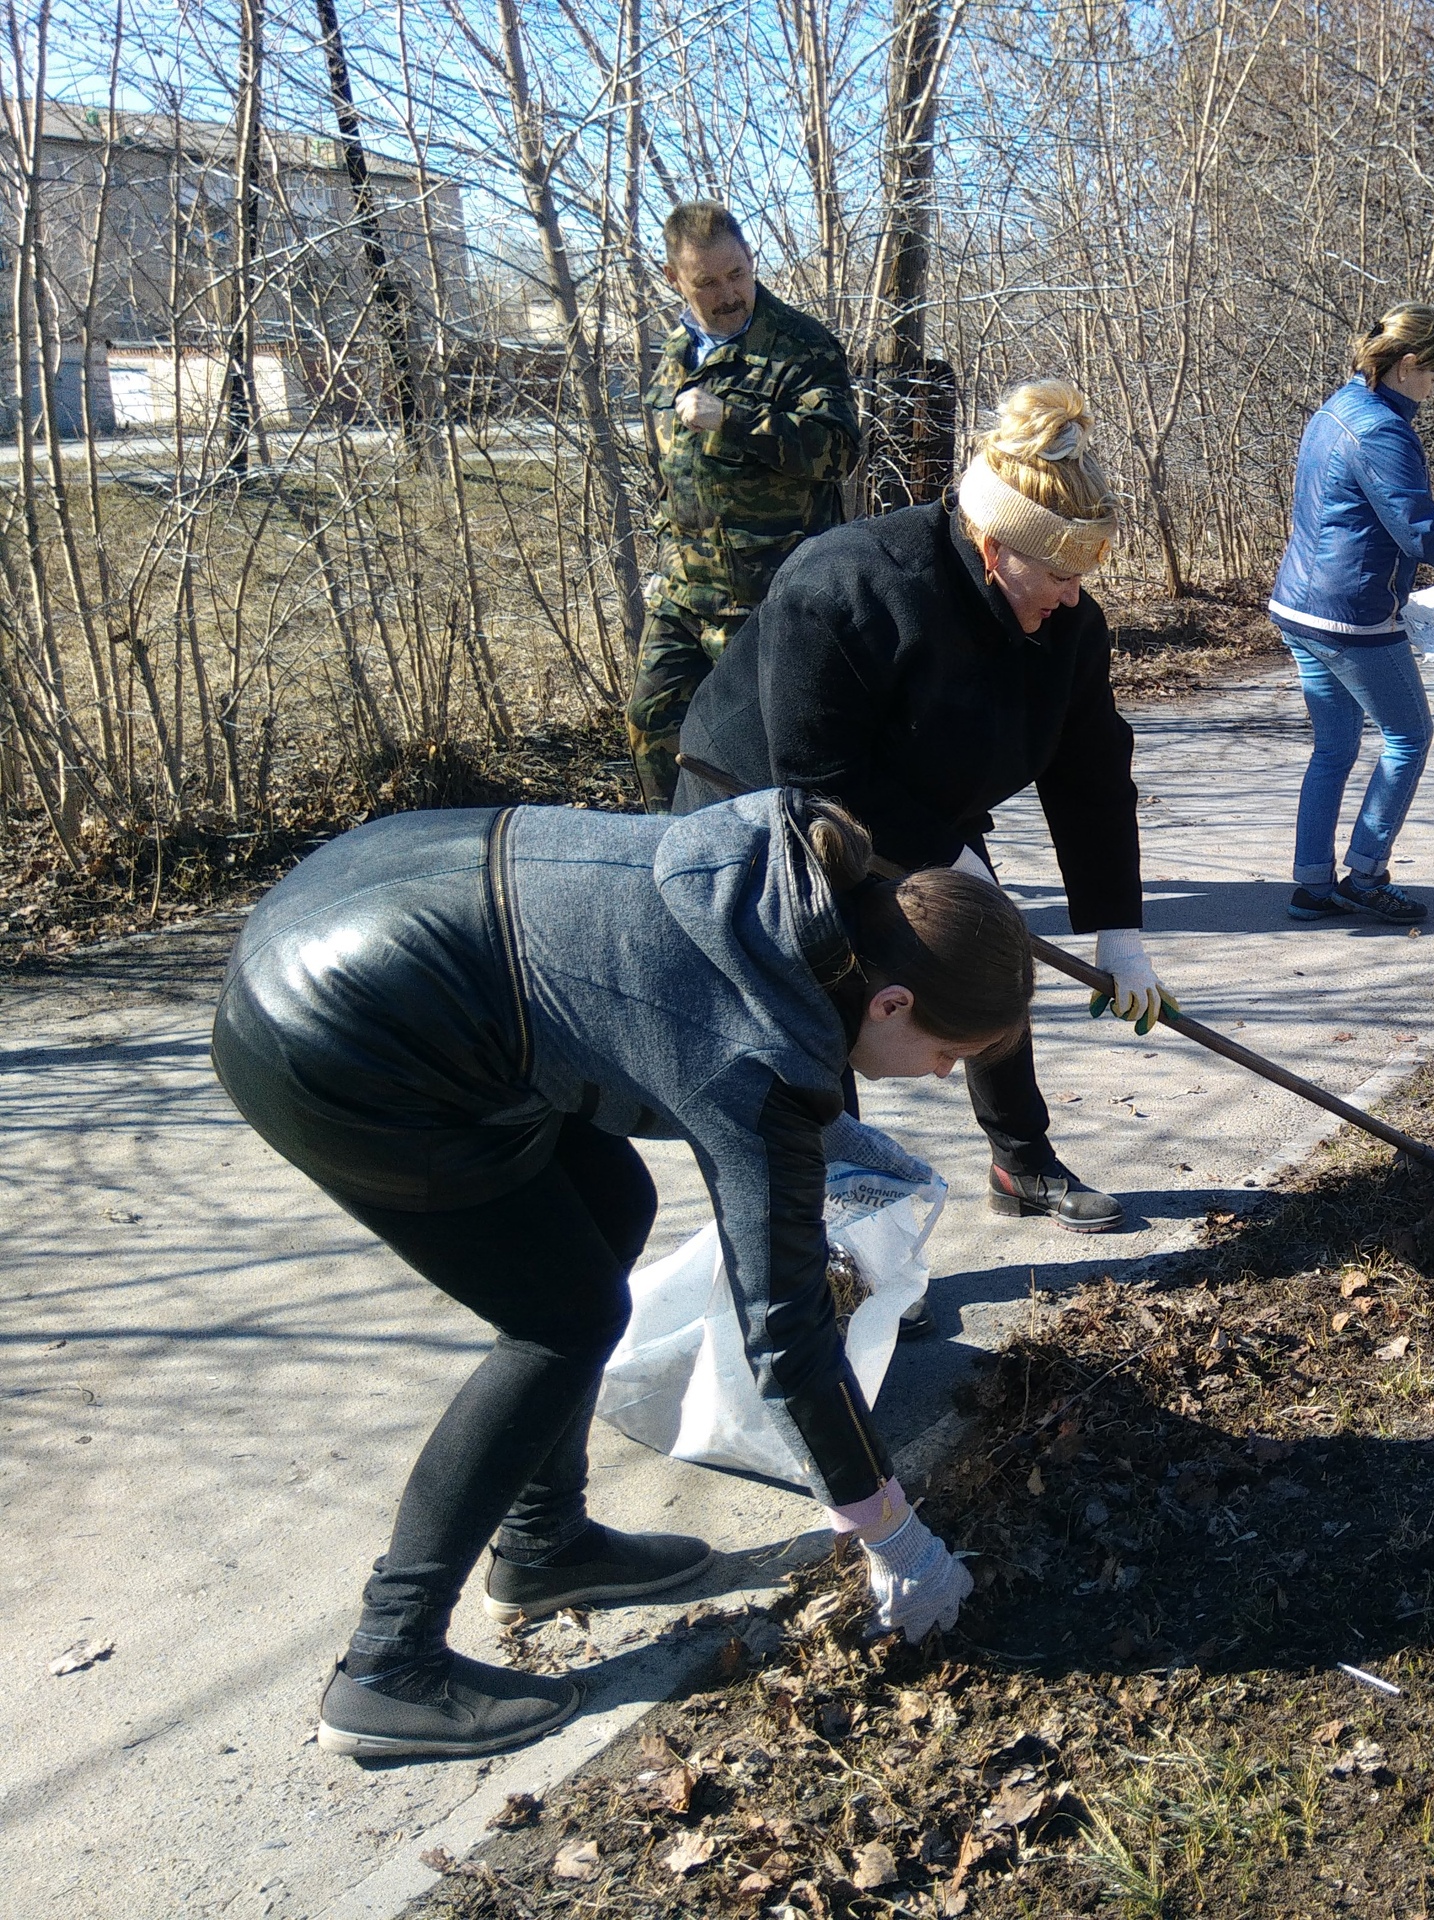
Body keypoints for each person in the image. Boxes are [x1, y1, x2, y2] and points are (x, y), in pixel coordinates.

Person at [212, 792, 1025, 1759]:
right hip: (337, 1039)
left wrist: (830, 1129)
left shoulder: (785, 890)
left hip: (383, 925)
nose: (939, 1076)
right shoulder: (762, 1048)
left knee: (613, 1209)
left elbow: (676, 1026)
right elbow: (790, 1335)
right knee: (559, 1320)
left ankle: (545, 1545)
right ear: (890, 1002)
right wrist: (898, 1538)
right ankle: (387, 1667)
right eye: (946, 1054)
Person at [675, 380, 1162, 1235]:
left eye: (1085, 576)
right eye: (1056, 573)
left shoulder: (1067, 629)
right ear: (992, 544)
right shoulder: (852, 584)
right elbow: (817, 772)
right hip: (762, 801)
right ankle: (840, 1225)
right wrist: (951, 860)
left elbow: (1091, 770)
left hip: (911, 792)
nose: (1074, 596)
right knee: (819, 1002)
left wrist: (1118, 929)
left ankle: (1023, 1163)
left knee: (982, 958)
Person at [1266, 305, 1434, 926]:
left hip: (1299, 604)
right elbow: (1421, 535)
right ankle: (1366, 875)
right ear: (1407, 366)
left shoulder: (1336, 408)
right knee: (1409, 736)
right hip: (1351, 615)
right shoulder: (1383, 430)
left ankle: (1313, 884)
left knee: (1335, 746)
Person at [631, 204, 861, 811]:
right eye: (707, 281)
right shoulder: (675, 355)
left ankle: (794, 876)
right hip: (684, 594)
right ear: (672, 278)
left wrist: (734, 420)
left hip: (770, 599)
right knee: (653, 724)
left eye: (737, 272)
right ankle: (672, 863)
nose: (729, 293)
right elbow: (674, 474)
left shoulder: (799, 346)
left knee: (765, 755)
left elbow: (838, 450)